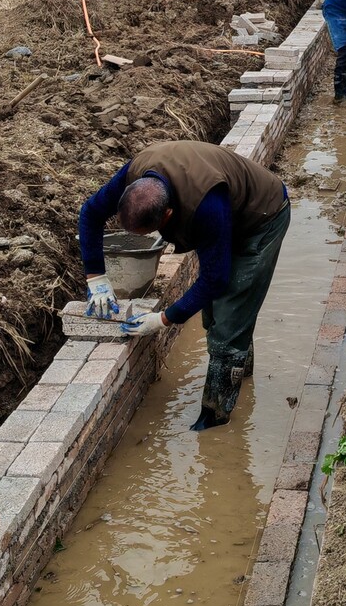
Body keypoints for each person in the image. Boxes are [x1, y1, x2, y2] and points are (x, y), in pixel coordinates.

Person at [80, 141, 291, 430]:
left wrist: (164, 318)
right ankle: (241, 369)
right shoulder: (136, 173)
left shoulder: (206, 204)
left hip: (262, 217)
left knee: (227, 324)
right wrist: (96, 277)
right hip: (229, 205)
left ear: (167, 215)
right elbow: (90, 213)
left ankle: (215, 419)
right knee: (216, 314)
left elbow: (215, 279)